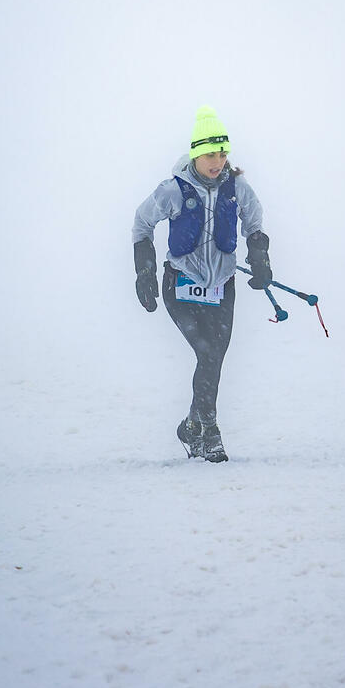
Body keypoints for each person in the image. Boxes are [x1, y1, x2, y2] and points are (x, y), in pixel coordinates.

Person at [132, 105, 272, 463]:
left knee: (214, 359)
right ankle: (209, 432)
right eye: (210, 153)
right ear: (196, 154)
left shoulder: (236, 187)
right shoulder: (174, 189)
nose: (218, 160)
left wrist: (260, 260)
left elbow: (254, 223)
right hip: (180, 286)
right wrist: (145, 272)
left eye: (223, 153)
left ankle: (192, 427)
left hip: (222, 287)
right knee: (208, 354)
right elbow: (142, 223)